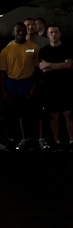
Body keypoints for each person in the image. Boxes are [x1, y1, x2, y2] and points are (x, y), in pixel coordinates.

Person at [1, 22, 40, 150]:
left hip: (27, 83)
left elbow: (37, 70)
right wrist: (4, 91)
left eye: (23, 31)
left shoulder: (34, 48)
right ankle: (11, 140)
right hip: (12, 83)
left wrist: (33, 87)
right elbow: (2, 72)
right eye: (18, 31)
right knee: (11, 114)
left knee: (29, 114)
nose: (21, 33)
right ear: (13, 33)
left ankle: (30, 140)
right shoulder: (6, 50)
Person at [38, 24, 73, 151]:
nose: (54, 35)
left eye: (56, 32)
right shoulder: (43, 51)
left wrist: (50, 65)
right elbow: (43, 69)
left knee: (68, 113)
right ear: (47, 35)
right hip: (50, 86)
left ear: (60, 33)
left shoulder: (67, 48)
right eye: (51, 32)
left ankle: (71, 140)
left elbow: (69, 65)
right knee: (53, 115)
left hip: (66, 85)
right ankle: (56, 141)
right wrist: (60, 65)